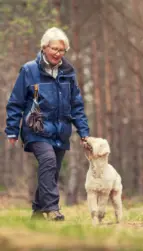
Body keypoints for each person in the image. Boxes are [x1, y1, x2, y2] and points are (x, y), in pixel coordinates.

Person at [5, 27, 89, 221]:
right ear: (44, 47)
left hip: (60, 131)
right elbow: (16, 102)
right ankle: (52, 209)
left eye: (62, 51)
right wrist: (12, 131)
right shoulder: (29, 70)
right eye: (55, 49)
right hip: (36, 129)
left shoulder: (68, 72)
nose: (58, 54)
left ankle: (37, 212)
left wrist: (83, 132)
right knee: (48, 162)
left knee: (51, 171)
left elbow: (76, 104)